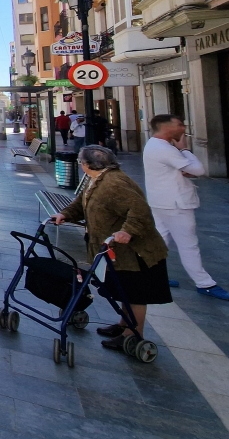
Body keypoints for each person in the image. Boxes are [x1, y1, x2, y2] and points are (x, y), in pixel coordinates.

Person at [51, 145, 172, 350]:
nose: (81, 165)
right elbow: (82, 203)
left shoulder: (114, 183)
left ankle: (132, 335)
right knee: (125, 290)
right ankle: (123, 326)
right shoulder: (97, 179)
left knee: (135, 294)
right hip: (117, 252)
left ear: (87, 165)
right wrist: (65, 214)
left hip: (136, 252)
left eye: (81, 162)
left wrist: (127, 231)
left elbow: (140, 210)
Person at [143, 114, 229, 301]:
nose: (183, 128)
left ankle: (154, 276)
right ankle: (205, 283)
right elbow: (199, 170)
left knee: (159, 240)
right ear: (167, 128)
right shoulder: (165, 148)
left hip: (160, 200)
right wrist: (185, 150)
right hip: (175, 203)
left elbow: (185, 170)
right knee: (188, 244)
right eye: (179, 125)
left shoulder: (154, 145)